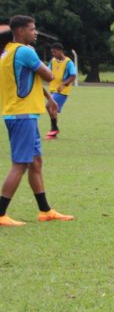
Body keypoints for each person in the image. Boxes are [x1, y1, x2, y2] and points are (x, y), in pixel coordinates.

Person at [0, 16, 73, 227]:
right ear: (20, 31)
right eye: (32, 29)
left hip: (24, 113)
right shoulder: (25, 51)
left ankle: (45, 210)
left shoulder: (7, 52)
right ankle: (1, 213)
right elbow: (49, 76)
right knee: (20, 164)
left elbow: (27, 79)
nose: (36, 33)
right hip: (21, 114)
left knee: (35, 163)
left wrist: (49, 99)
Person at [45, 43, 77, 139]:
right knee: (53, 109)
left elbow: (73, 76)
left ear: (60, 51)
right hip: (53, 89)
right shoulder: (53, 61)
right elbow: (47, 71)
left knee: (48, 106)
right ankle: (54, 130)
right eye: (52, 52)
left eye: (54, 52)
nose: (53, 54)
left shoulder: (69, 62)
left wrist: (63, 84)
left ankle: (54, 128)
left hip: (62, 91)